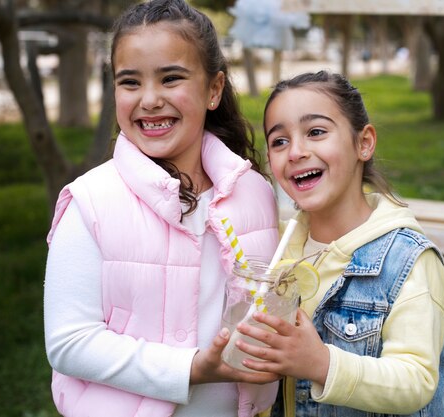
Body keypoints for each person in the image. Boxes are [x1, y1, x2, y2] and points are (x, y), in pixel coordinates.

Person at [43, 1, 281, 416]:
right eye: (130, 83)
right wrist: (191, 368)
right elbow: (70, 342)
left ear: (213, 90)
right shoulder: (91, 202)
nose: (149, 100)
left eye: (171, 78)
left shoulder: (255, 193)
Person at [234, 71, 444, 416]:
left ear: (363, 143)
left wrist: (320, 363)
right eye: (279, 141)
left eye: (316, 132)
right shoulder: (279, 250)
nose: (296, 152)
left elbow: (416, 380)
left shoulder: (408, 260)